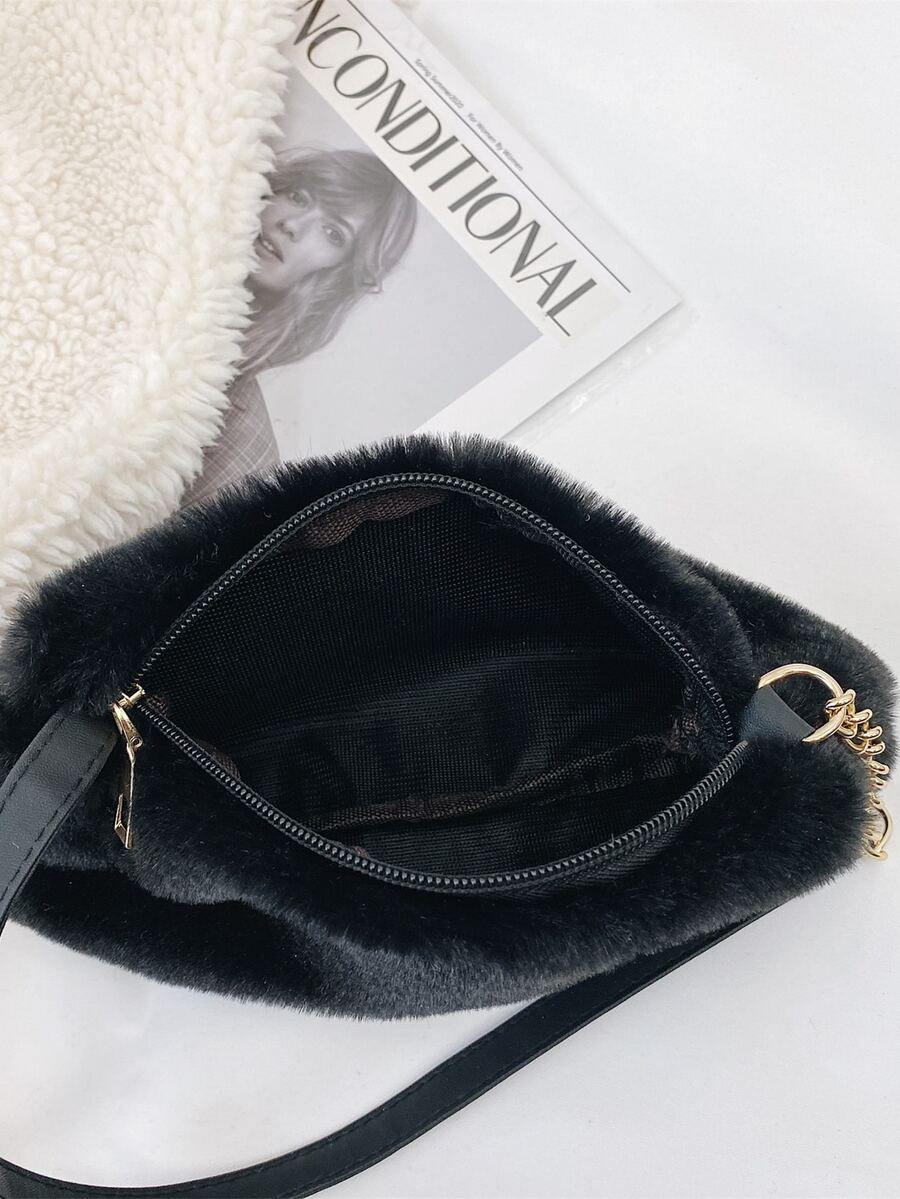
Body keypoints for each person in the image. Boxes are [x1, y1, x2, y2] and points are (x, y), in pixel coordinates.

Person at [182, 147, 418, 505]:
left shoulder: (242, 449)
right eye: (298, 197)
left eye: (332, 233)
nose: (292, 225)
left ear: (339, 274)